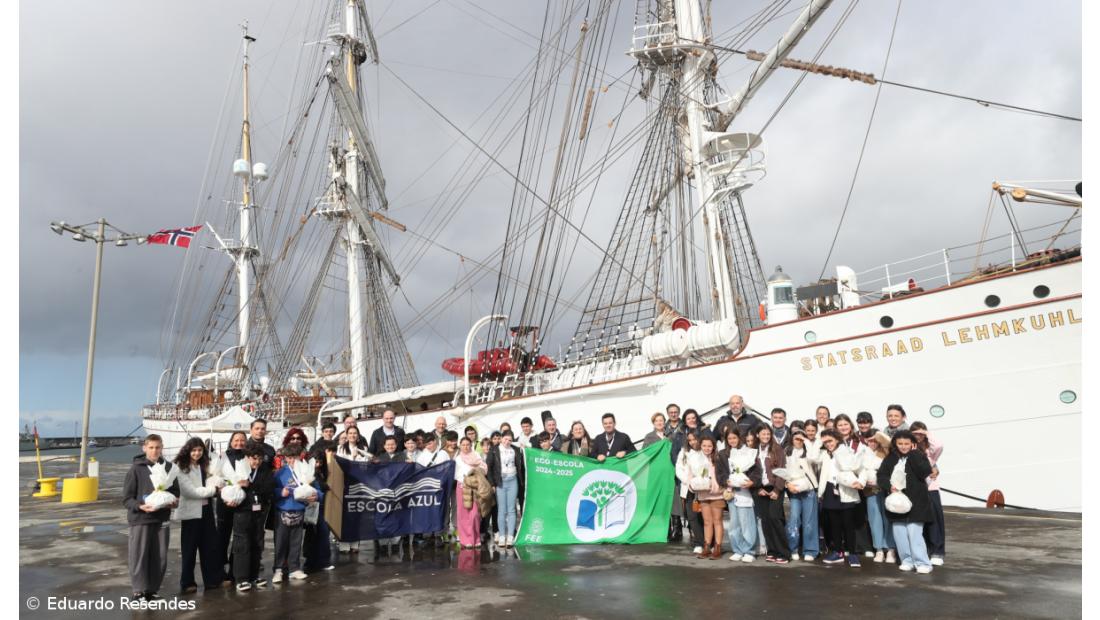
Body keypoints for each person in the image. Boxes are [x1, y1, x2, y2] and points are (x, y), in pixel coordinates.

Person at [123, 434, 179, 601]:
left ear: (162, 448)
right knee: (139, 556)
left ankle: (152, 591)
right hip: (141, 519)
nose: (155, 451)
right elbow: (127, 499)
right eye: (151, 447)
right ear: (144, 448)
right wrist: (140, 506)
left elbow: (176, 492)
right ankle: (139, 591)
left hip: (162, 518)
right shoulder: (136, 469)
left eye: (158, 447)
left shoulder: (168, 467)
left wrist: (173, 502)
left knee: (160, 557)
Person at [878, 430, 935, 573]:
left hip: (917, 501)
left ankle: (923, 563)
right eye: (900, 443)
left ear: (912, 444)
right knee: (900, 533)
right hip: (897, 502)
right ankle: (907, 560)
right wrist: (889, 486)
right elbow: (881, 475)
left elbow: (924, 471)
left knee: (914, 533)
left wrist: (915, 454)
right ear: (895, 444)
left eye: (907, 443)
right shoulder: (891, 458)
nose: (903, 446)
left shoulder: (918, 455)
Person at [173, 437, 220, 594]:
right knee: (189, 550)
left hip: (206, 512)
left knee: (209, 548)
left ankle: (211, 580)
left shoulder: (204, 465)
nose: (197, 453)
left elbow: (215, 480)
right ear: (188, 450)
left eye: (200, 450)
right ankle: (187, 582)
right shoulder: (181, 467)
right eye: (194, 450)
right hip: (191, 514)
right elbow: (190, 492)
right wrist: (214, 490)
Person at [272, 446, 322, 583]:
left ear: (301, 457)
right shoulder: (279, 473)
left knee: (296, 542)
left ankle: (294, 568)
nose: (292, 460)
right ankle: (278, 569)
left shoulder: (307, 472)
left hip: (300, 511)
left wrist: (316, 496)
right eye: (289, 458)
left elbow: (318, 490)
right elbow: (271, 490)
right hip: (283, 510)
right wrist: (279, 493)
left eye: (295, 457)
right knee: (281, 542)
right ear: (285, 459)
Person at [817, 429, 865, 567]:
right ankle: (838, 552)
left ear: (837, 439)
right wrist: (820, 494)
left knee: (848, 524)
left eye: (830, 441)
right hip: (829, 490)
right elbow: (812, 458)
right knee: (834, 524)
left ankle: (852, 553)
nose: (828, 444)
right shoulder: (824, 454)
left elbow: (860, 468)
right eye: (825, 442)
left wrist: (860, 482)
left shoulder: (847, 451)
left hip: (845, 489)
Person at [231, 444, 275, 591]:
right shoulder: (240, 470)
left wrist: (250, 486)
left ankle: (254, 575)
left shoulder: (265, 471)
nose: (256, 462)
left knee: (257, 543)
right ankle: (241, 578)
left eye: (260, 459)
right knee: (242, 543)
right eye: (254, 458)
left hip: (259, 512)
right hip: (242, 512)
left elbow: (268, 489)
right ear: (247, 458)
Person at [751, 426, 790, 563]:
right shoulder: (753, 450)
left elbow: (782, 470)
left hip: (775, 488)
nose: (766, 436)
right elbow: (751, 471)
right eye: (763, 433)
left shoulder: (777, 449)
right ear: (757, 434)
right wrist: (757, 489)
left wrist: (777, 490)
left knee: (775, 519)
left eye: (768, 434)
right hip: (761, 489)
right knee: (766, 521)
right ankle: (772, 550)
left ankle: (784, 552)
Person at [717, 429, 757, 562]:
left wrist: (751, 481)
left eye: (734, 438)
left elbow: (756, 471)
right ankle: (737, 549)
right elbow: (720, 473)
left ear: (740, 438)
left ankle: (749, 550)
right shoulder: (723, 454)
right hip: (731, 492)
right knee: (734, 523)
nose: (732, 441)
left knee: (747, 522)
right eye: (729, 439)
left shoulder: (749, 452)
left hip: (745, 492)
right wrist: (725, 481)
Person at [910, 421, 946, 565]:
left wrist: (926, 433)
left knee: (934, 520)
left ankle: (937, 551)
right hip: (915, 490)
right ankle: (924, 549)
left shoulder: (929, 450)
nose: (918, 435)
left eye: (920, 433)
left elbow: (939, 446)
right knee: (920, 522)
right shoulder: (910, 447)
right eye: (915, 433)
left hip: (930, 489)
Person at [215, 431, 248, 585]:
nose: (239, 443)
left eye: (242, 440)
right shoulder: (222, 457)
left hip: (242, 501)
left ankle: (234, 570)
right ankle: (220, 570)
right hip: (225, 501)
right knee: (222, 536)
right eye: (236, 440)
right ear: (231, 441)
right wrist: (225, 494)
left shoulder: (248, 456)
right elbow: (216, 477)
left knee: (239, 537)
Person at [784, 429, 821, 562]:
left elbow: (814, 458)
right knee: (794, 519)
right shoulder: (786, 452)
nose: (799, 441)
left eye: (801, 439)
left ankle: (810, 550)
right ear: (791, 439)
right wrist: (788, 484)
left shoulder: (808, 453)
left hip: (809, 489)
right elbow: (783, 471)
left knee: (809, 521)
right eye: (796, 439)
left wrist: (807, 441)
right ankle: (793, 548)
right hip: (793, 489)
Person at [303, 423, 336, 573]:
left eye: (319, 462)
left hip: (320, 507)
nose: (317, 464)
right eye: (315, 461)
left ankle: (321, 560)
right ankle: (311, 560)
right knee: (314, 533)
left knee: (322, 533)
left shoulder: (321, 473)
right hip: (313, 507)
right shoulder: (309, 475)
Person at [861, 431, 896, 563]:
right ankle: (879, 549)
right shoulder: (863, 452)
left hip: (886, 489)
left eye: (874, 440)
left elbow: (889, 443)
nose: (872, 443)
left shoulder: (886, 451)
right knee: (874, 519)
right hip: (871, 490)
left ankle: (890, 549)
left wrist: (878, 436)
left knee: (888, 519)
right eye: (869, 440)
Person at [486, 430, 525, 547]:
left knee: (512, 510)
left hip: (513, 481)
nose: (507, 442)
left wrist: (524, 449)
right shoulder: (493, 450)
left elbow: (522, 462)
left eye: (510, 440)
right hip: (500, 482)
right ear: (501, 439)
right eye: (505, 439)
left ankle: (511, 536)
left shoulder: (516, 449)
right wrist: (492, 484)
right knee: (502, 510)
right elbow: (489, 468)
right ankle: (502, 535)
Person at [689, 435, 725, 559]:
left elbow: (723, 474)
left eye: (710, 446)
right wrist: (691, 485)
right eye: (704, 445)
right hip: (703, 493)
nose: (707, 448)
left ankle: (718, 547)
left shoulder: (718, 458)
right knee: (707, 521)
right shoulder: (696, 458)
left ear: (714, 446)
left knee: (717, 521)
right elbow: (690, 474)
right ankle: (707, 546)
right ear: (700, 446)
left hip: (717, 494)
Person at [336, 426, 369, 554]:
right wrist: (353, 459)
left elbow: (365, 468)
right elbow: (340, 466)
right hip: (345, 484)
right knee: (345, 515)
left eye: (355, 433)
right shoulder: (340, 448)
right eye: (350, 433)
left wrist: (358, 458)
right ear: (346, 435)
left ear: (358, 435)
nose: (352, 435)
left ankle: (355, 543)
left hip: (358, 485)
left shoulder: (364, 449)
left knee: (357, 514)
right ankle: (344, 544)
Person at [454, 437, 491, 548]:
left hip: (475, 488)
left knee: (475, 514)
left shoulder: (476, 456)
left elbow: (483, 469)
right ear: (460, 446)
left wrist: (475, 472)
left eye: (468, 444)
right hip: (462, 487)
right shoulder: (458, 458)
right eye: (463, 444)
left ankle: (476, 537)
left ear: (471, 445)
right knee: (463, 514)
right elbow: (456, 475)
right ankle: (466, 539)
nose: (466, 447)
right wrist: (467, 477)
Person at [674, 430, 707, 554]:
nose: (693, 442)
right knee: (692, 517)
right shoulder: (684, 452)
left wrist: (700, 480)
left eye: (695, 439)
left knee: (704, 517)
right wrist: (687, 480)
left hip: (703, 488)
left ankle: (709, 542)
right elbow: (678, 468)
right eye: (690, 440)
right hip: (688, 488)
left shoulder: (705, 450)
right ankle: (698, 542)